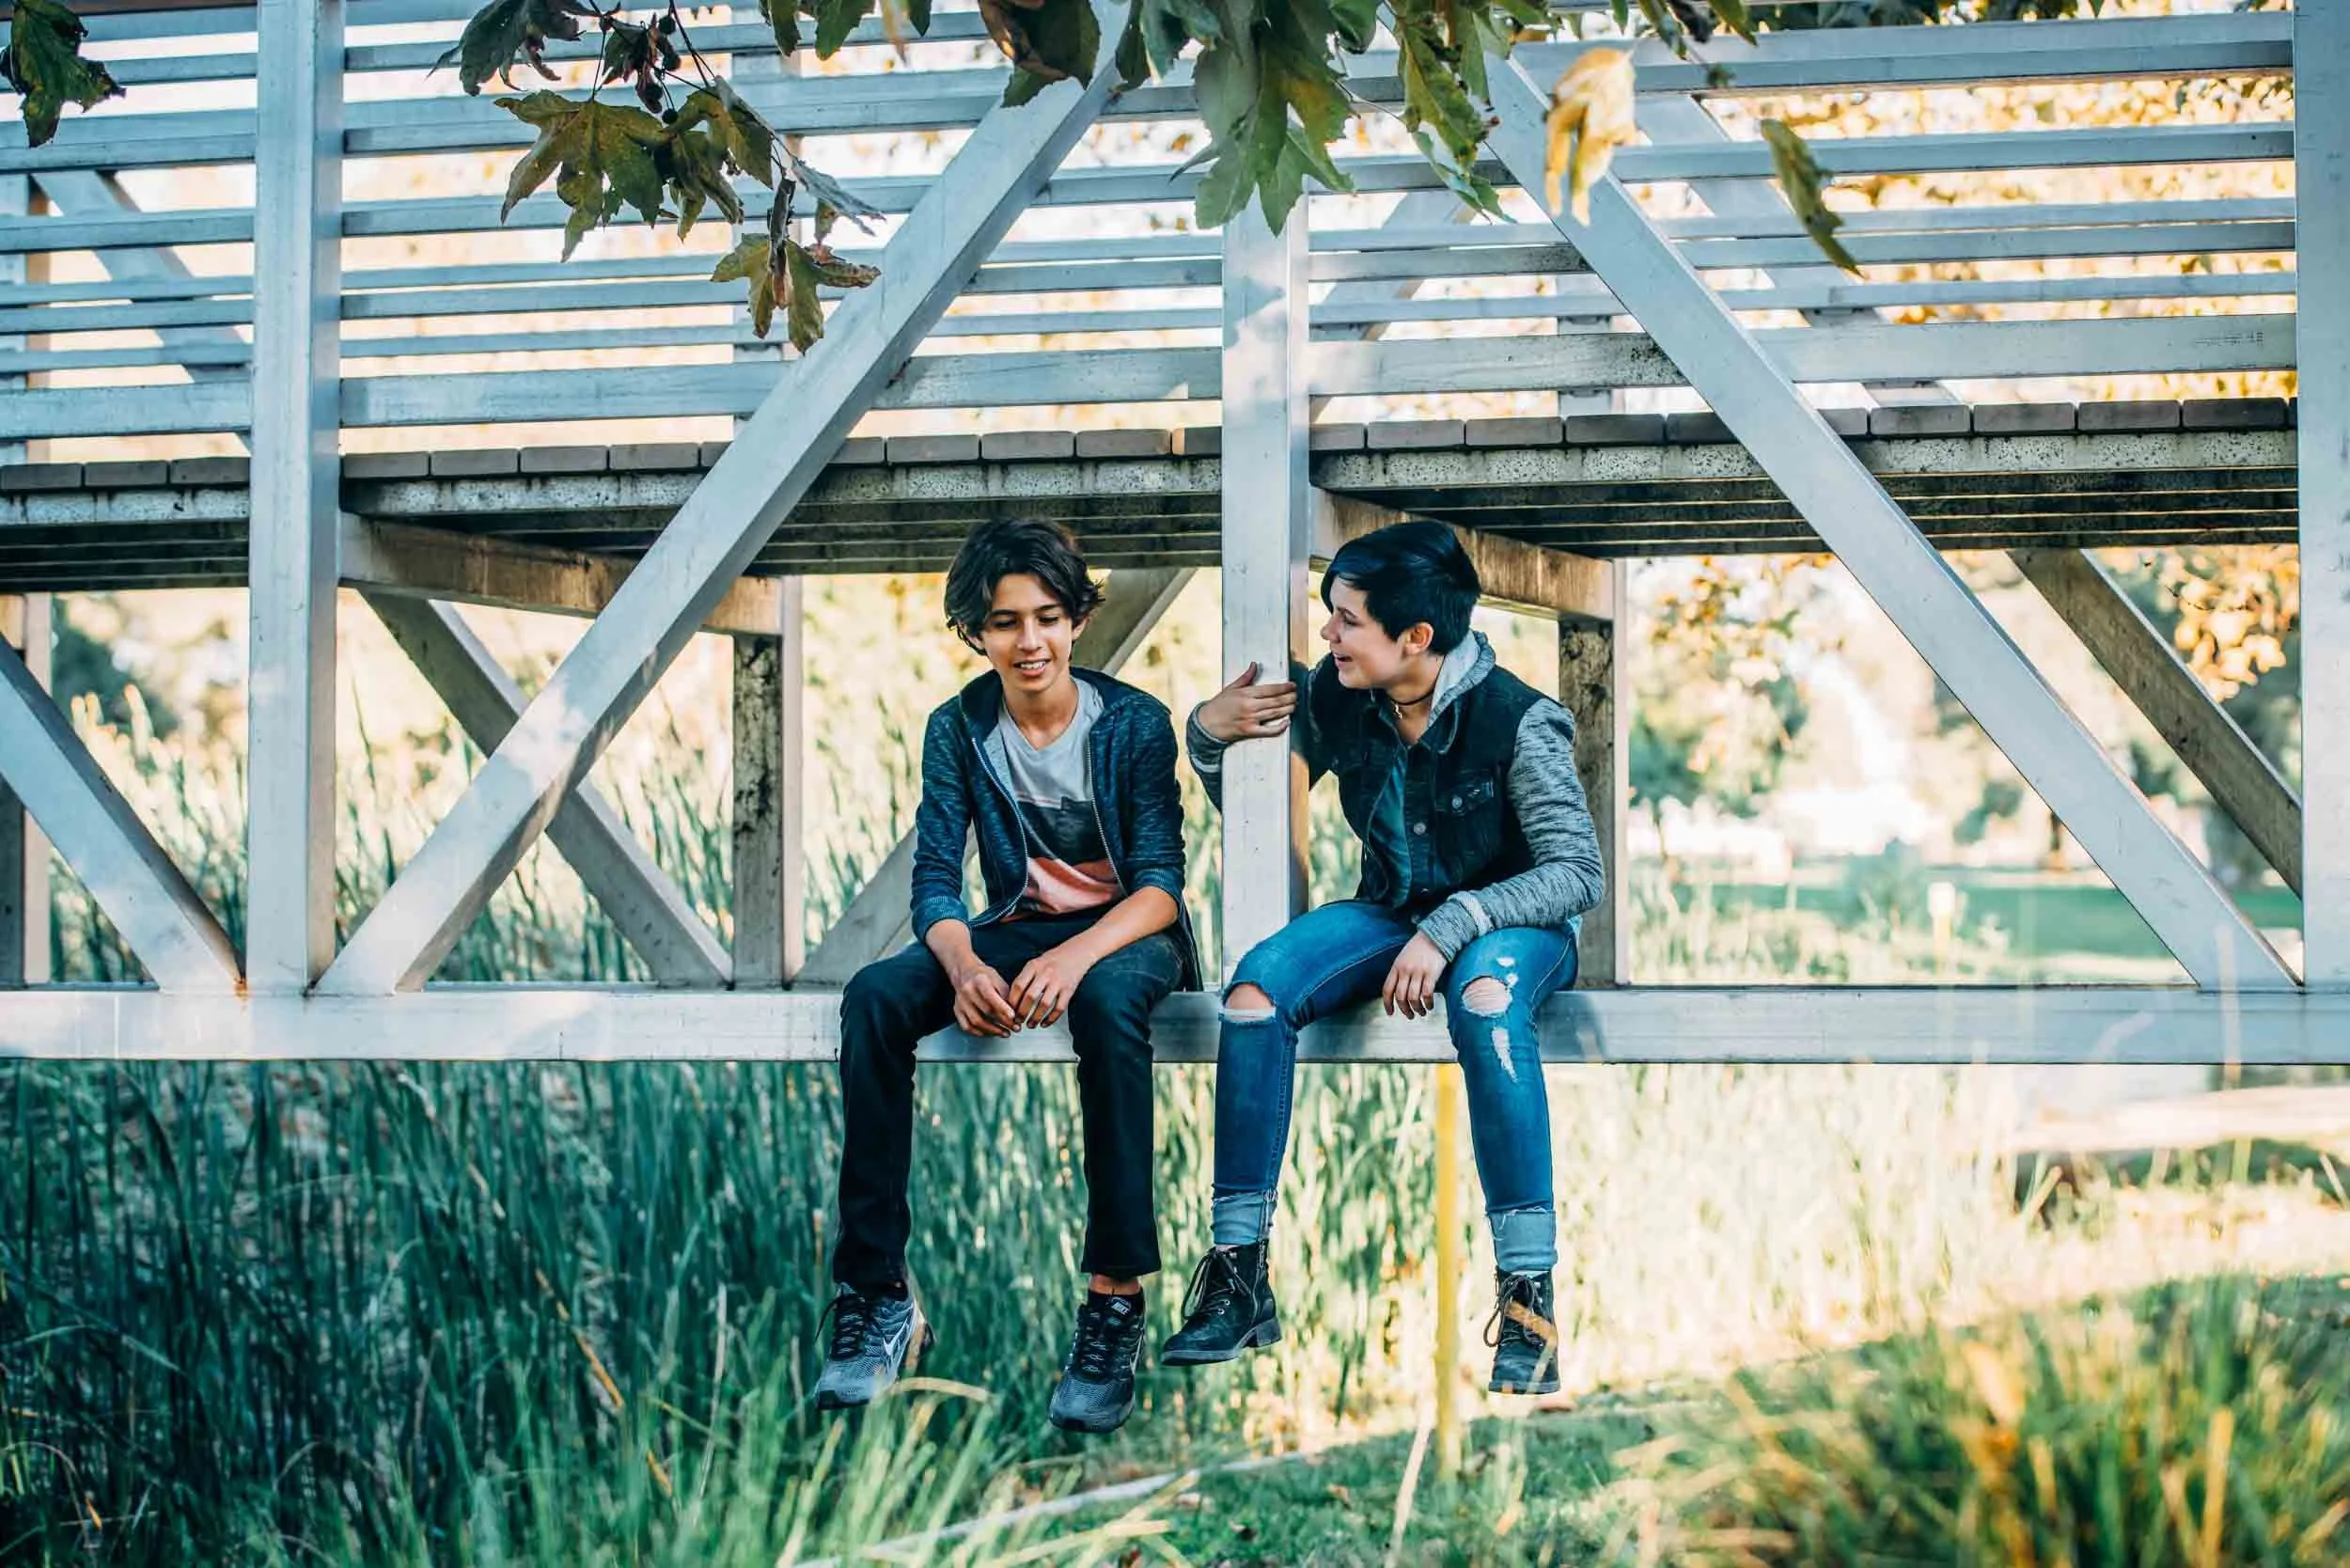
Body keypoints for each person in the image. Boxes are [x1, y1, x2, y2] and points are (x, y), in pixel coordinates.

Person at [1162, 519, 1604, 1395]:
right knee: (1252, 995)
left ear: (1416, 637)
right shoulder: (1340, 696)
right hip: (1392, 912)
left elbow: (1575, 872)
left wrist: (1455, 925)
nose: (1327, 634)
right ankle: (1238, 1276)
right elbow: (1251, 806)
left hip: (1514, 931)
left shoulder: (1520, 719)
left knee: (1482, 1000)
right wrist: (1205, 734)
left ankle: (1529, 1303)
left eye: (1348, 619)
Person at [816, 516, 1197, 1435]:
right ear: (973, 633)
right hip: (1016, 928)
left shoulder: (1134, 723)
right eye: (1004, 622)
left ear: (1076, 622)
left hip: (1125, 935)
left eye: (1047, 618)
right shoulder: (958, 727)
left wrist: (1075, 955)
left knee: (1107, 1003)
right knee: (873, 998)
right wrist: (960, 967)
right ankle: (876, 1295)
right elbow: (936, 883)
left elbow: (1161, 890)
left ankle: (1113, 1300)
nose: (1029, 641)